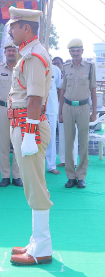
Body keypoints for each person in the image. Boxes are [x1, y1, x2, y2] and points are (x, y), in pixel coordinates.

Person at [5, 7, 54, 266]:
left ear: (26, 27)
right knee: (32, 183)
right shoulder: (30, 53)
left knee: (34, 185)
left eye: (14, 26)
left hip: (28, 124)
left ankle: (42, 248)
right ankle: (37, 241)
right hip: (25, 123)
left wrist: (30, 133)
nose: (10, 30)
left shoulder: (34, 56)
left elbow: (34, 99)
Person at [59, 39, 97, 189]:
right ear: (69, 52)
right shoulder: (66, 67)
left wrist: (94, 111)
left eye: (78, 50)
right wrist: (61, 111)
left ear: (82, 50)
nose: (75, 53)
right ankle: (70, 176)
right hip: (68, 107)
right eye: (72, 51)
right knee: (68, 143)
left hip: (83, 107)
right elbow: (62, 90)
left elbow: (93, 89)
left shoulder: (89, 67)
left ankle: (81, 176)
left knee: (83, 143)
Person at [0, 44, 22, 187]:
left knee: (18, 143)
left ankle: (17, 176)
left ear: (17, 52)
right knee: (3, 143)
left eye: (13, 50)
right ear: (4, 53)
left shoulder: (24, 68)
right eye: (8, 50)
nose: (11, 53)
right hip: (2, 108)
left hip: (19, 109)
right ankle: (5, 176)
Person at [45, 54, 63, 175]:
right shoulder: (33, 67)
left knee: (51, 138)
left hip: (51, 108)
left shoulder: (55, 69)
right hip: (34, 108)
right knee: (34, 138)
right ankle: (36, 166)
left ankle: (51, 165)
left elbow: (59, 88)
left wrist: (58, 104)